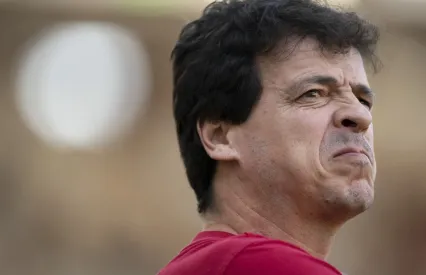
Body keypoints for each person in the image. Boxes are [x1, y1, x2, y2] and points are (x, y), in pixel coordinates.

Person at [159, 0, 380, 274]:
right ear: (220, 137)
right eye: (313, 93)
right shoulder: (256, 265)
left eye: (363, 100)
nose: (360, 116)